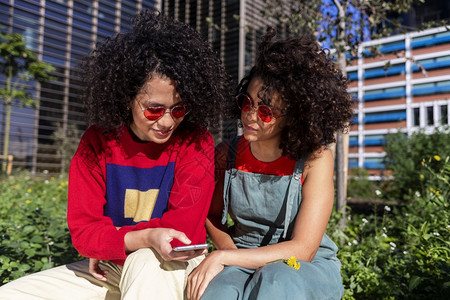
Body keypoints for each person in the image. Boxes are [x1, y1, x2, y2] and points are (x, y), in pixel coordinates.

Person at [0, 10, 230, 300]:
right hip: (111, 268)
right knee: (12, 294)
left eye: (179, 109)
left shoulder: (195, 142)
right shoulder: (98, 141)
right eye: (154, 109)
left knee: (146, 262)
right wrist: (136, 239)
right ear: (126, 100)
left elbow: (179, 233)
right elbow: (84, 232)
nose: (168, 121)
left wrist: (114, 240)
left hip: (173, 267)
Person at [186, 27, 353, 300]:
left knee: (276, 283)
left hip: (300, 265)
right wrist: (230, 255)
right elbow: (211, 215)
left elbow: (303, 249)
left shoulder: (315, 159)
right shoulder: (225, 154)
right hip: (241, 255)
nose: (251, 116)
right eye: (246, 102)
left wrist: (223, 258)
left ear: (293, 116)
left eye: (265, 111)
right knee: (217, 293)